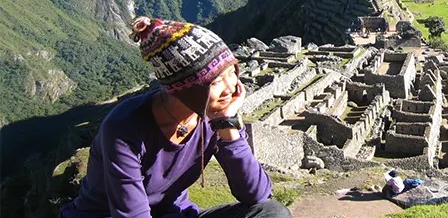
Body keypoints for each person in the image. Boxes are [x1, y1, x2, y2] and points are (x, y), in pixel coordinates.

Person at [59, 17, 292, 218]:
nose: (231, 87)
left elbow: (256, 194)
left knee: (272, 213)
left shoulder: (215, 114)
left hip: (176, 213)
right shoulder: (123, 129)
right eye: (216, 81)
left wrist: (227, 128)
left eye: (232, 72)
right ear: (187, 89)